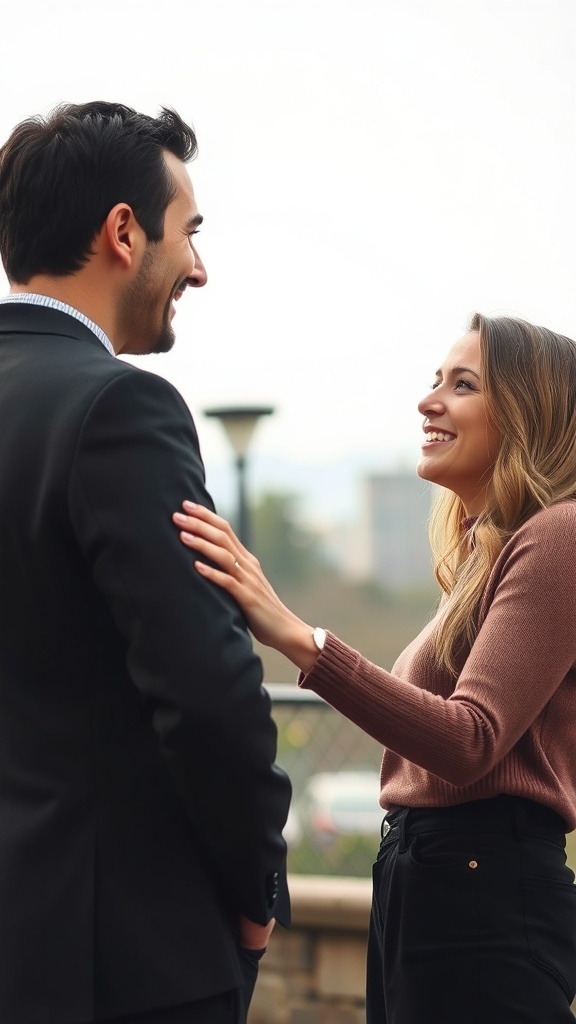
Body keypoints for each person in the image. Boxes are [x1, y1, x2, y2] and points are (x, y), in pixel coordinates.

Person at [173, 313, 576, 1024]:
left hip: (483, 892)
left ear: (528, 412)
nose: (429, 401)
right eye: (433, 381)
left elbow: (469, 740)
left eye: (463, 384)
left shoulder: (560, 536)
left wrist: (304, 641)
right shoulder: (493, 554)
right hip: (432, 884)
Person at [0, 101, 291, 1024]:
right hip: (115, 961)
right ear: (123, 232)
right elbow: (208, 695)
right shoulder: (121, 410)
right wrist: (256, 893)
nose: (196, 268)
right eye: (188, 233)